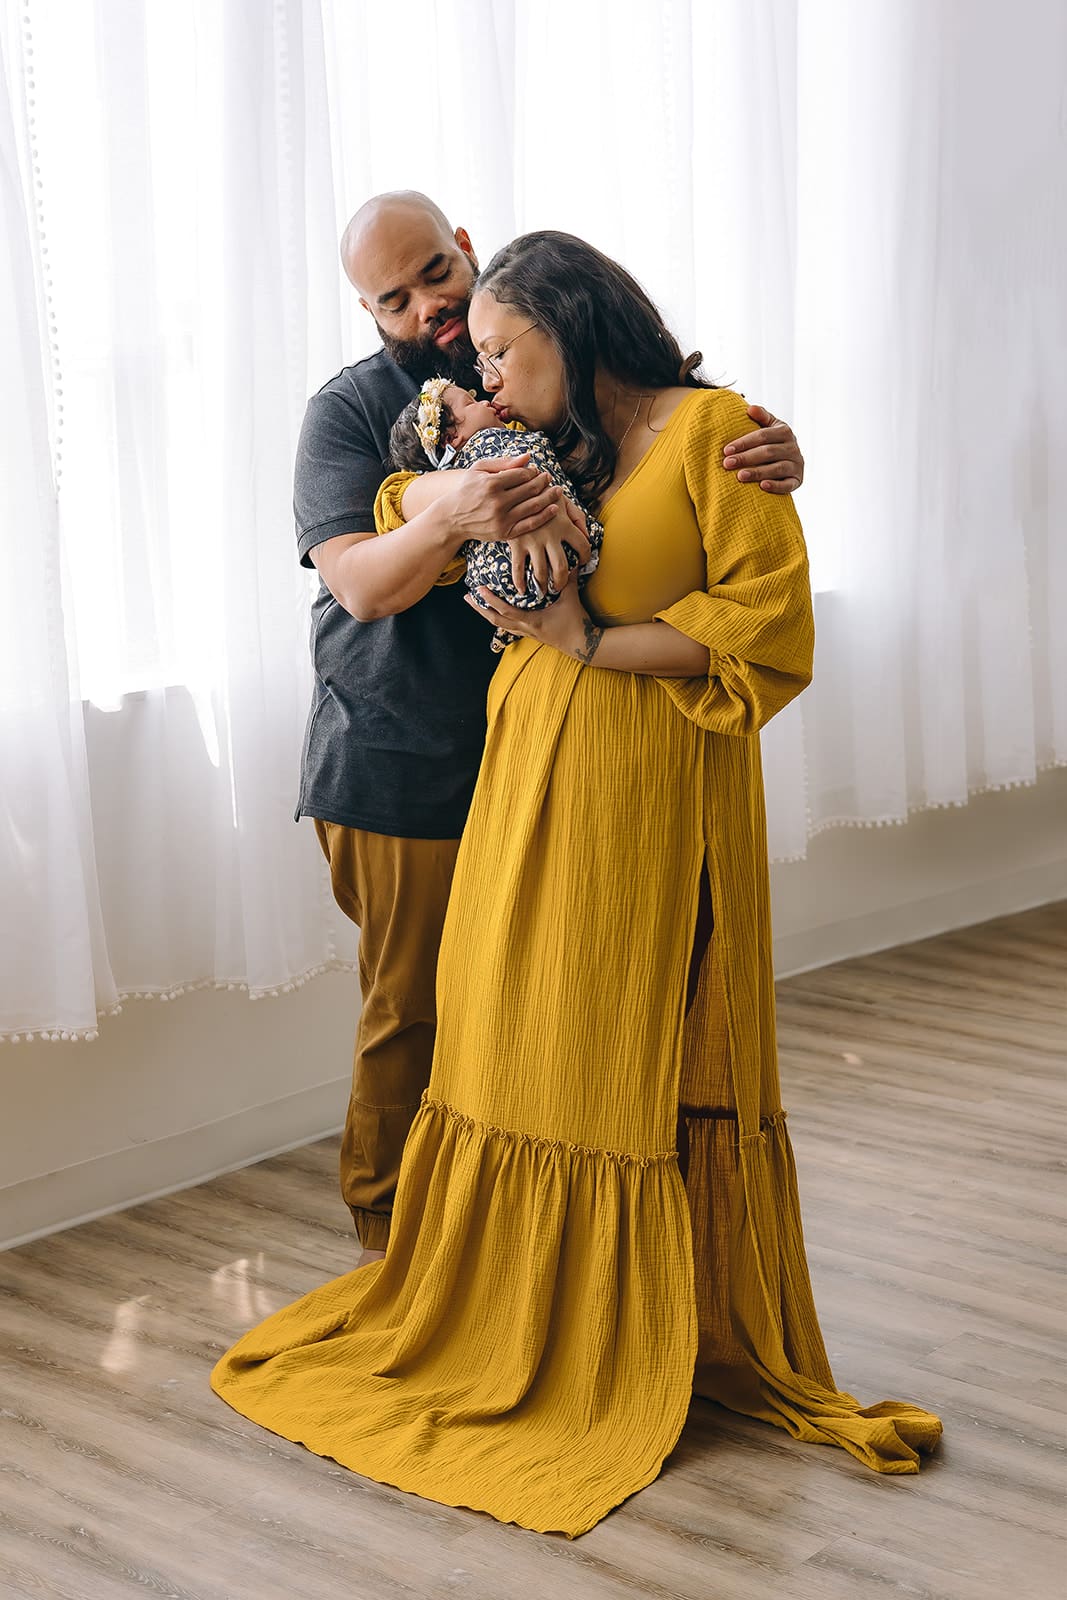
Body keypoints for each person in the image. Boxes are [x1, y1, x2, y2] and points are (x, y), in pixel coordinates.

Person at [212, 229, 941, 1537]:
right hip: (490, 765)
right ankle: (485, 1298)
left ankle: (649, 1320)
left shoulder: (707, 433)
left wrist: (591, 632)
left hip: (646, 781)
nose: (473, 358)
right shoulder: (410, 416)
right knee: (492, 1031)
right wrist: (460, 510)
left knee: (631, 1037)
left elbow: (765, 625)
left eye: (494, 335)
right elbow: (374, 541)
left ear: (557, 314)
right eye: (452, 337)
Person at [294, 191, 806, 1267]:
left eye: (438, 273)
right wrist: (450, 508)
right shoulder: (352, 413)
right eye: (393, 297)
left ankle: (513, 1248)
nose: (427, 307)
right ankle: (391, 1244)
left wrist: (772, 453)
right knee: (418, 1008)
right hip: (400, 754)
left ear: (467, 255)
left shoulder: (554, 401)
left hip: (538, 760)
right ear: (364, 308)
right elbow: (361, 583)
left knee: (522, 1015)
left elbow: (665, 478)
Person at [385, 375, 602, 653]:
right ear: (452, 437)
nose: (485, 402)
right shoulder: (491, 443)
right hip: (551, 559)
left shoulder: (447, 485)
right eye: (471, 402)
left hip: (499, 590)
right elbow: (527, 461)